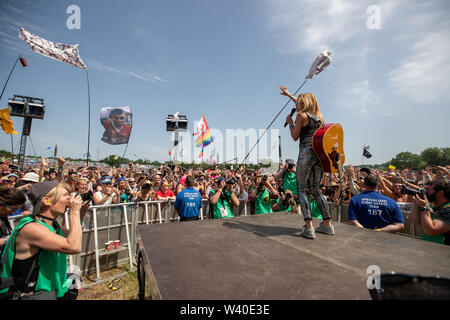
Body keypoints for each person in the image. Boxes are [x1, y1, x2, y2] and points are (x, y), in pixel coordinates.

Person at [0, 181, 83, 300]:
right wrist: (74, 212)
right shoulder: (31, 228)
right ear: (47, 201)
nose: (69, 199)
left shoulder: (52, 223)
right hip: (25, 295)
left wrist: (81, 212)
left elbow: (75, 237)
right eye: (65, 195)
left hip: (48, 293)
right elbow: (74, 246)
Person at [281, 86, 334, 239]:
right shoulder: (319, 118)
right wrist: (289, 95)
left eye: (299, 103)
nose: (297, 105)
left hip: (305, 153)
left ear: (304, 104)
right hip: (318, 154)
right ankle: (327, 224)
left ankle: (309, 226)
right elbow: (301, 102)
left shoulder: (300, 116)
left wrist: (290, 123)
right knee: (316, 189)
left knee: (302, 189)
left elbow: (294, 136)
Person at [413, 180, 450, 245]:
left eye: (427, 190)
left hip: (441, 251)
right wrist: (416, 205)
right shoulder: (432, 206)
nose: (424, 192)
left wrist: (424, 207)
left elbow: (430, 231)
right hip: (428, 248)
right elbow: (414, 222)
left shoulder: (448, 210)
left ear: (440, 193)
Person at [0, 188, 26, 254]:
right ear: (2, 203)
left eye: (17, 209)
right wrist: (9, 238)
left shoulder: (3, 217)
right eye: (13, 209)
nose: (14, 212)